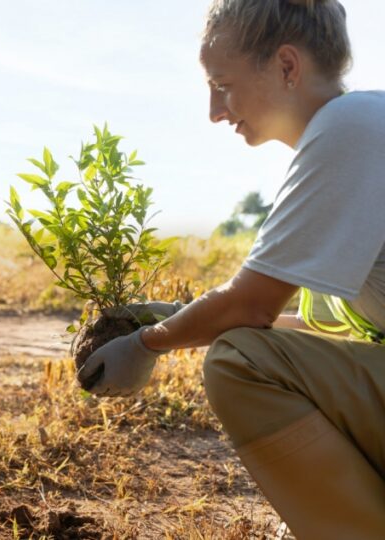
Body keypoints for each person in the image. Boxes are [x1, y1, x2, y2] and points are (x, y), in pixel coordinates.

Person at [77, 0, 385, 537]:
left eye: (222, 84)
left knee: (240, 360)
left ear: (287, 66)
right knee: (250, 344)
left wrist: (148, 343)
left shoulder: (350, 127)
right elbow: (329, 332)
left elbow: (251, 304)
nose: (215, 112)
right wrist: (182, 314)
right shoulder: (359, 127)